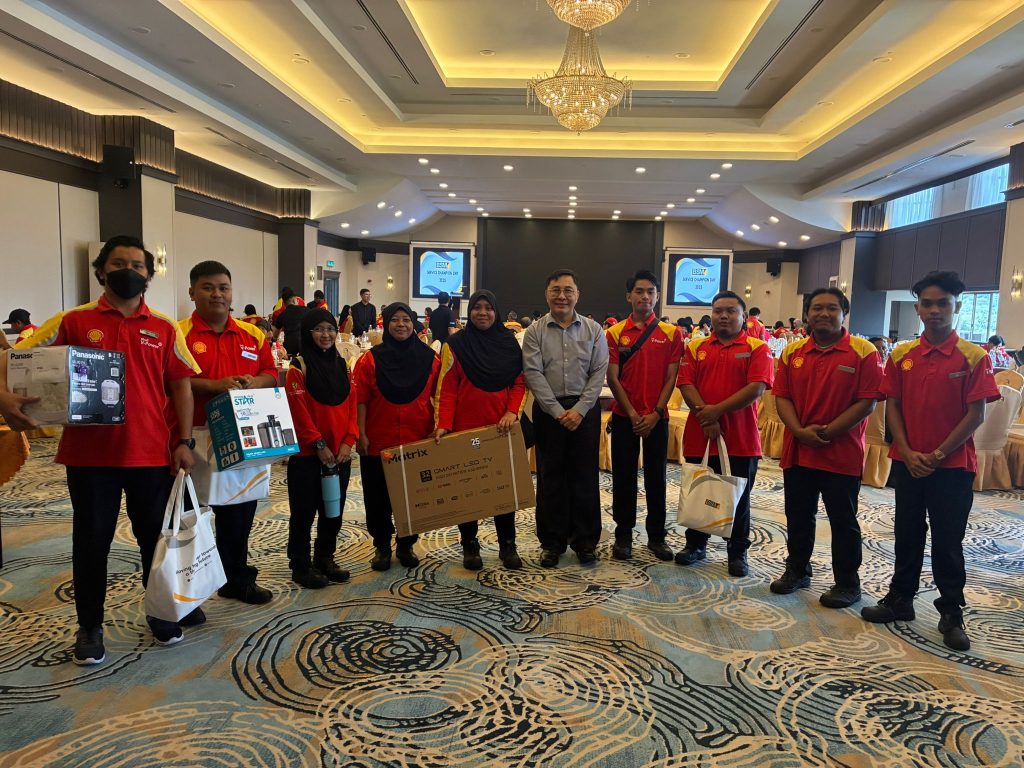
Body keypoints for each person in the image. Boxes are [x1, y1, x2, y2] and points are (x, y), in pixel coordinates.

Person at [0, 235, 199, 664]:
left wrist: (183, 441)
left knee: (155, 542)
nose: (129, 271)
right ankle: (89, 625)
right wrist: (3, 396)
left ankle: (161, 612)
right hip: (90, 458)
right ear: (101, 271)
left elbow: (181, 387)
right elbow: (12, 359)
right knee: (92, 543)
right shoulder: (72, 321)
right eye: (118, 263)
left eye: (138, 265)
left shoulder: (165, 327)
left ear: (149, 275)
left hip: (150, 454)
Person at [862, 271, 1000, 651]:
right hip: (908, 462)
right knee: (906, 532)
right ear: (918, 308)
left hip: (952, 467)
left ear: (957, 306)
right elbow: (893, 406)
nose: (935, 310)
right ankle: (900, 598)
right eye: (927, 303)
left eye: (943, 303)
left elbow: (975, 415)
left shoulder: (974, 356)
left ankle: (951, 611)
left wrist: (938, 455)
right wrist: (907, 451)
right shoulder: (902, 355)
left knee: (947, 540)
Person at [769, 288, 883, 609]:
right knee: (798, 515)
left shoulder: (863, 351)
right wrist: (799, 432)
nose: (823, 313)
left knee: (843, 520)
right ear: (807, 314)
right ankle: (797, 570)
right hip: (799, 450)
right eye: (817, 308)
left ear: (844, 313)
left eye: (832, 308)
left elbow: (867, 402)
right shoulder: (792, 352)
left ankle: (847, 582)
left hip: (841, 452)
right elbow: (782, 396)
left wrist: (828, 432)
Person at [180, 261, 277, 606]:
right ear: (192, 292)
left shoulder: (252, 334)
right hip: (194, 433)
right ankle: (188, 589)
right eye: (207, 287)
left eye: (223, 287)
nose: (217, 294)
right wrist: (213, 385)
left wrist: (254, 381)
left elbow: (271, 372)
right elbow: (167, 379)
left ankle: (236, 579)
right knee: (190, 515)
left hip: (242, 434)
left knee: (240, 512)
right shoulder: (178, 334)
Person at [674, 291, 772, 576]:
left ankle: (737, 552)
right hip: (701, 435)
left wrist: (714, 413)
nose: (724, 316)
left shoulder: (757, 347)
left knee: (738, 498)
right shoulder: (696, 346)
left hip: (741, 438)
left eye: (731, 311)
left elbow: (756, 388)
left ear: (744, 317)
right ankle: (695, 545)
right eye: (718, 311)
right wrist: (706, 418)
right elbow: (686, 384)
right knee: (699, 491)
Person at [434, 290, 527, 570]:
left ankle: (507, 545)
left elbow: (519, 383)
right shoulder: (455, 345)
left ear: (496, 312)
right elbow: (447, 388)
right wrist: (443, 424)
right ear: (469, 311)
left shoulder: (509, 344)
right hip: (464, 431)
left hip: (501, 430)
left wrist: (512, 412)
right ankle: (470, 545)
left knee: (503, 491)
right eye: (477, 307)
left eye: (488, 307)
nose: (482, 313)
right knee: (467, 492)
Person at [522, 269, 608, 567]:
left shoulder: (594, 330)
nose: (562, 296)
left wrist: (580, 410)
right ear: (547, 295)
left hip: (585, 412)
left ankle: (586, 542)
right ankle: (552, 541)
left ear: (577, 295)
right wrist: (558, 412)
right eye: (556, 290)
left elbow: (599, 372)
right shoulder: (534, 332)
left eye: (568, 290)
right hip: (549, 413)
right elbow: (533, 373)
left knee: (585, 476)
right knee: (550, 477)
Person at [354, 303, 440, 570]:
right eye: (395, 320)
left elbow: (442, 396)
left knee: (413, 496)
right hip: (378, 439)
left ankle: (406, 545)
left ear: (414, 324)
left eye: (406, 320)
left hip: (417, 439)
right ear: (386, 324)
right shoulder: (369, 360)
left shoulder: (430, 359)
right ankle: (381, 546)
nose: (401, 324)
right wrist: (360, 433)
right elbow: (360, 400)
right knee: (377, 497)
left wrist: (439, 427)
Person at [605, 271, 682, 562]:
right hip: (624, 417)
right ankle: (623, 535)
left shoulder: (672, 333)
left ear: (658, 296)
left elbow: (671, 377)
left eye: (650, 291)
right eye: (639, 291)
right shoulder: (614, 333)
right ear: (629, 296)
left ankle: (657, 537)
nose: (645, 296)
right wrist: (633, 414)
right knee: (624, 478)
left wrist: (656, 412)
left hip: (657, 419)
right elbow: (612, 378)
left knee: (656, 479)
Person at [285, 309, 359, 588]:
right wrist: (318, 444)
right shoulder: (297, 367)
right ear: (308, 333)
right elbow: (297, 411)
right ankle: (301, 565)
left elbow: (352, 405)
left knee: (333, 510)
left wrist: (348, 441)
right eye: (318, 329)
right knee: (303, 513)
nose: (326, 335)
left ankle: (325, 558)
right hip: (308, 455)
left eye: (330, 329)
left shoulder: (343, 366)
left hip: (339, 455)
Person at [272, 293, 309, 357]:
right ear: (294, 300)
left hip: (289, 347)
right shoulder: (306, 310)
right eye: (297, 300)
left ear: (284, 303)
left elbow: (275, 335)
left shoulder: (282, 315)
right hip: (305, 345)